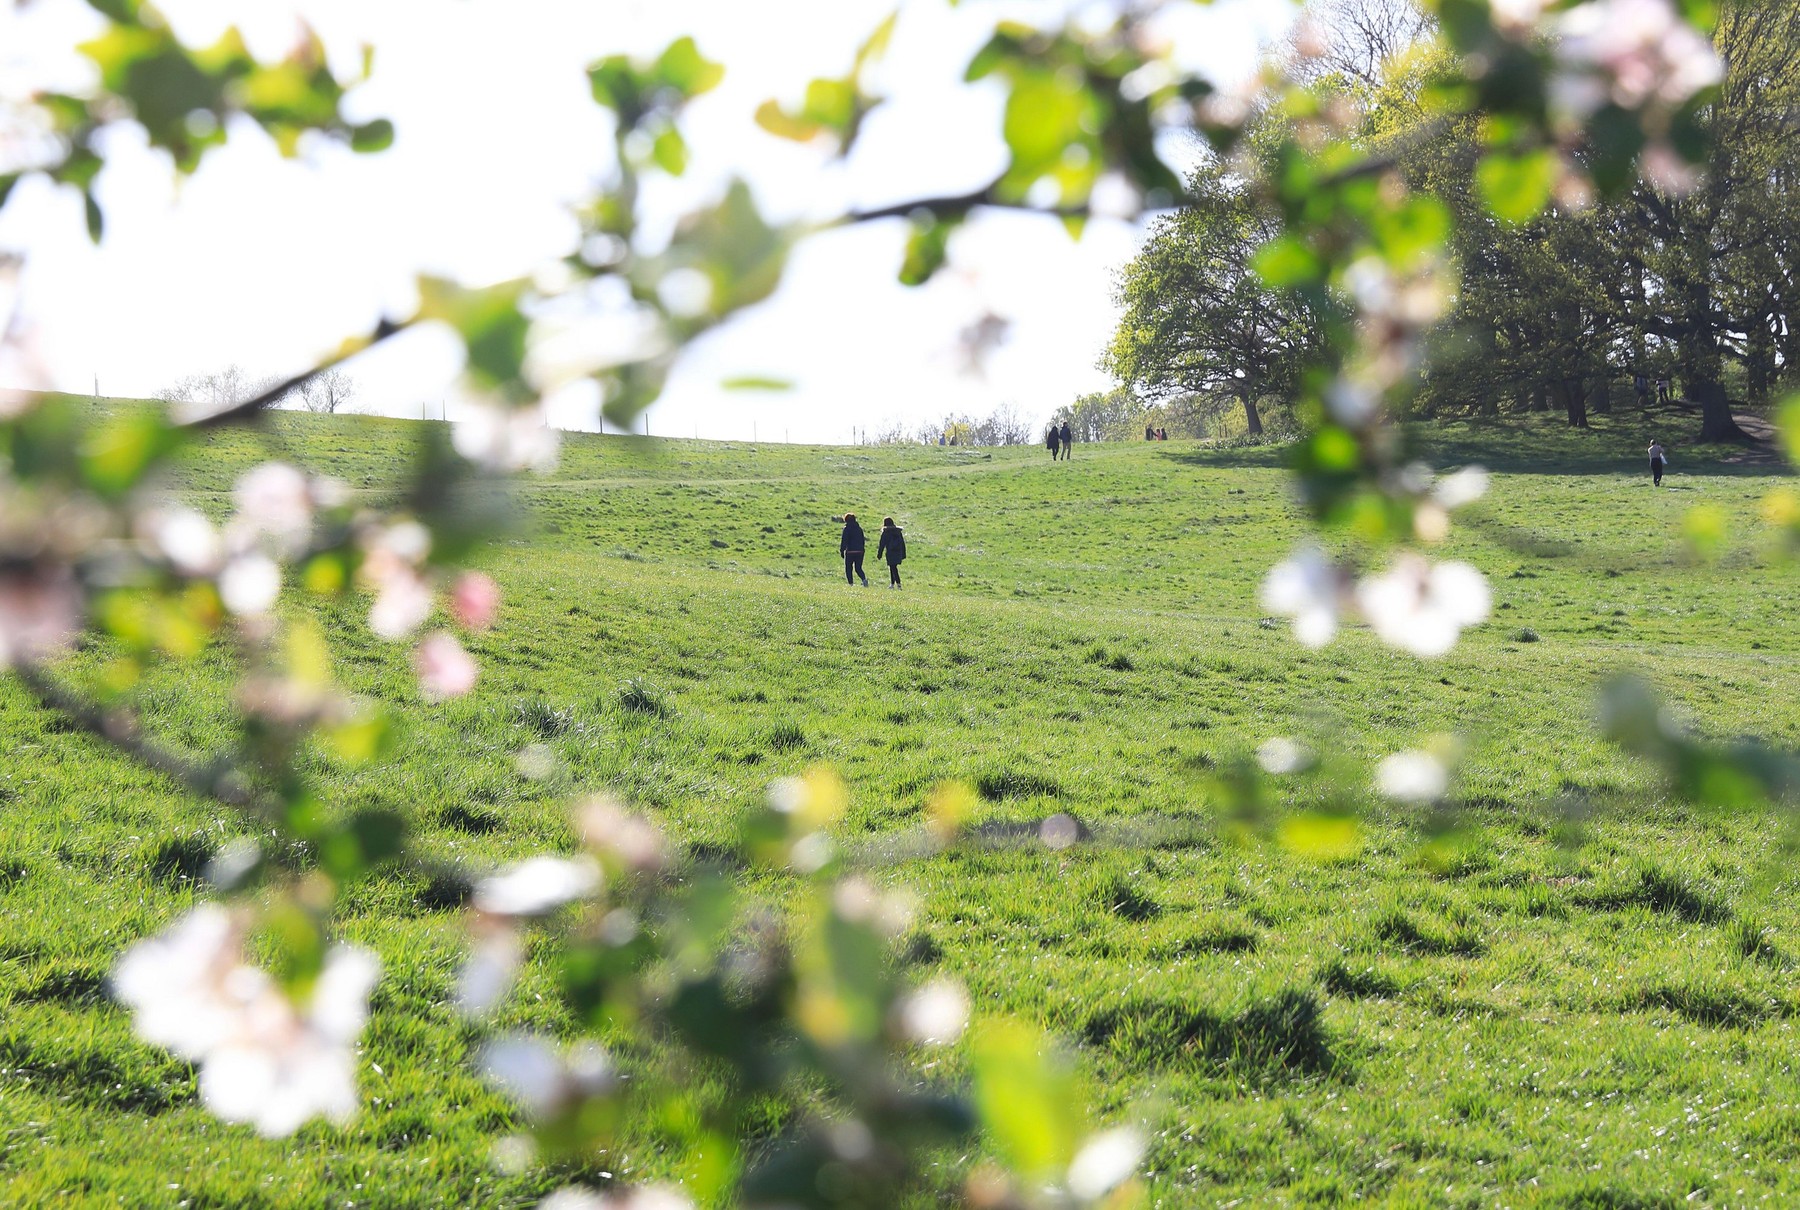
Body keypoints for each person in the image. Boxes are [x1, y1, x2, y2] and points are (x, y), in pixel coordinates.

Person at [839, 512, 869, 585]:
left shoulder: (846, 529)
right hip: (860, 551)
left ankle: (851, 583)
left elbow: (844, 540)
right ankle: (864, 580)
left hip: (850, 551)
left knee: (848, 568)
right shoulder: (859, 529)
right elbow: (862, 540)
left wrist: (842, 550)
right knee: (858, 568)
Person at [877, 516, 906, 588]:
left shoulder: (886, 532)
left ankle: (897, 584)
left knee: (893, 568)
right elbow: (902, 543)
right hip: (898, 552)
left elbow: (882, 544)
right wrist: (903, 554)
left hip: (890, 552)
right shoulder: (898, 531)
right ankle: (893, 584)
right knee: (893, 567)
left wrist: (879, 554)